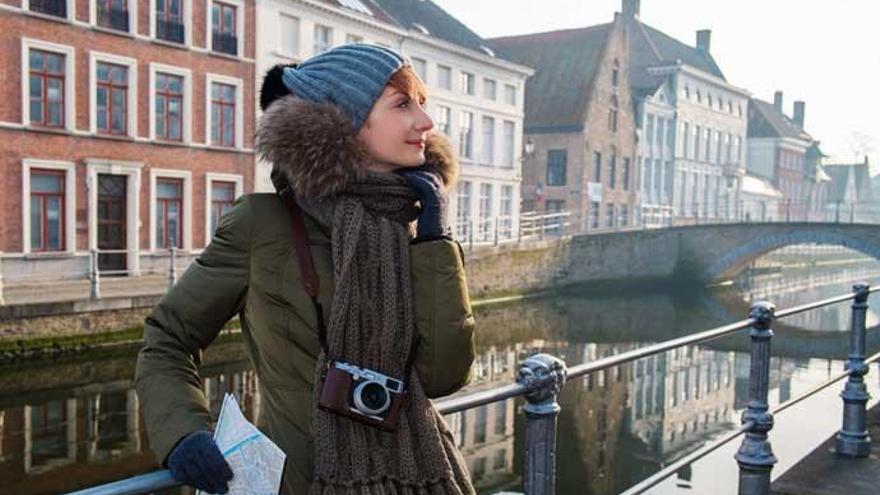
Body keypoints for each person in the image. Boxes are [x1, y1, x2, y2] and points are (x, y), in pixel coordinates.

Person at [134, 44, 477, 495]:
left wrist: (435, 238)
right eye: (402, 104)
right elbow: (166, 341)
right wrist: (183, 433)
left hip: (422, 478)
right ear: (344, 122)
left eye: (422, 104)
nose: (425, 122)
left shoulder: (410, 227)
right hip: (302, 482)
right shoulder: (262, 226)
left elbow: (444, 376)